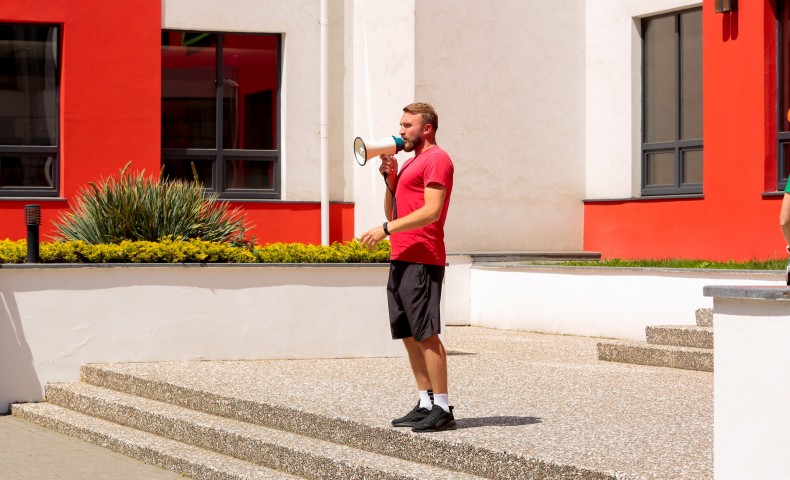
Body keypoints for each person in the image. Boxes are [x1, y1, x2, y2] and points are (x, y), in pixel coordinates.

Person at [359, 102, 455, 433]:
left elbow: (431, 211)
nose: (400, 131)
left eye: (407, 125)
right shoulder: (413, 163)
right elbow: (395, 209)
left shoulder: (437, 160)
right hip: (402, 255)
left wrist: (385, 230)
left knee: (426, 333)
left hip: (423, 255)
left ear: (426, 128)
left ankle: (443, 407)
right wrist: (391, 179)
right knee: (409, 334)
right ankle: (426, 401)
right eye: (400, 125)